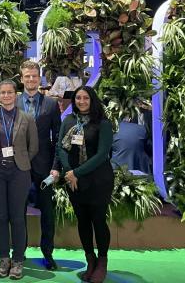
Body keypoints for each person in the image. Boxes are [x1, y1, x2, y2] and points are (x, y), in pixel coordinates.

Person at [52, 86, 114, 283]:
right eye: (78, 98)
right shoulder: (69, 120)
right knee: (83, 221)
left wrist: (75, 172)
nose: (81, 101)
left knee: (98, 221)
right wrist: (70, 172)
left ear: (92, 100)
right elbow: (61, 146)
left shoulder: (102, 123)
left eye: (85, 98)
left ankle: (102, 262)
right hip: (75, 181)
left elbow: (102, 154)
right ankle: (90, 260)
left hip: (98, 180)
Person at [0, 80, 38, 279]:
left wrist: (20, 160)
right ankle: (3, 259)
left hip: (19, 173)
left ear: (16, 95)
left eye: (9, 92)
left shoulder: (27, 118)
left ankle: (18, 261)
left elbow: (34, 147)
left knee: (17, 217)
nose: (6, 95)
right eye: (2, 92)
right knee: (0, 217)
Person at [16, 60, 61, 270]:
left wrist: (56, 167)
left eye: (34, 76)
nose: (31, 79)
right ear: (22, 78)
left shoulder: (51, 104)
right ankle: (19, 251)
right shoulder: (13, 102)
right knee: (18, 211)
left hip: (45, 167)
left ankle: (48, 253)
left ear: (39, 77)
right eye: (27, 76)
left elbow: (58, 138)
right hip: (18, 166)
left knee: (47, 213)